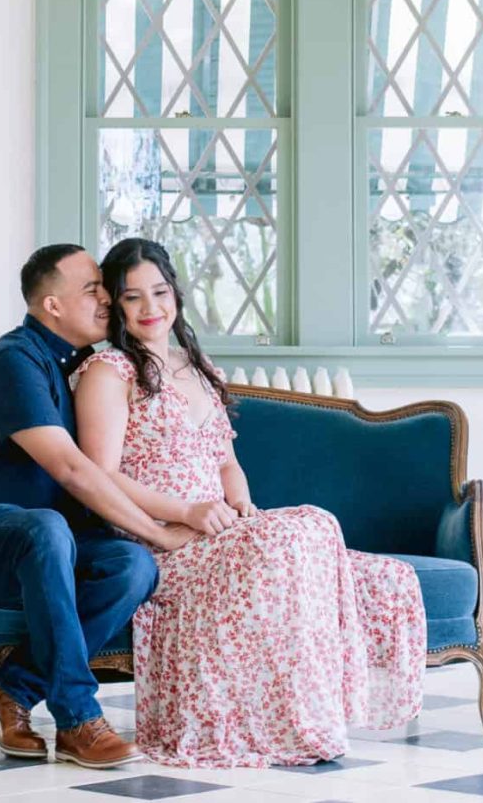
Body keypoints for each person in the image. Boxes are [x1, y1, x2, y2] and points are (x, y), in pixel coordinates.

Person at [69, 238, 426, 767]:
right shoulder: (108, 371)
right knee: (303, 529)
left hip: (220, 533)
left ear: (177, 295)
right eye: (132, 298)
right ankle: (269, 727)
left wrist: (244, 510)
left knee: (357, 556)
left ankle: (309, 714)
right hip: (160, 543)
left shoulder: (196, 366)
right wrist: (184, 511)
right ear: (116, 308)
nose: (151, 309)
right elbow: (103, 476)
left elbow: (226, 463)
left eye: (160, 292)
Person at [0, 243, 196, 769]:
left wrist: (150, 539)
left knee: (131, 564)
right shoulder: (12, 359)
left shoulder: (87, 366)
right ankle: (76, 719)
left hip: (50, 545)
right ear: (51, 306)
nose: (107, 299)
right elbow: (70, 468)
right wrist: (161, 531)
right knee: (49, 528)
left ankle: (12, 692)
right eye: (93, 289)